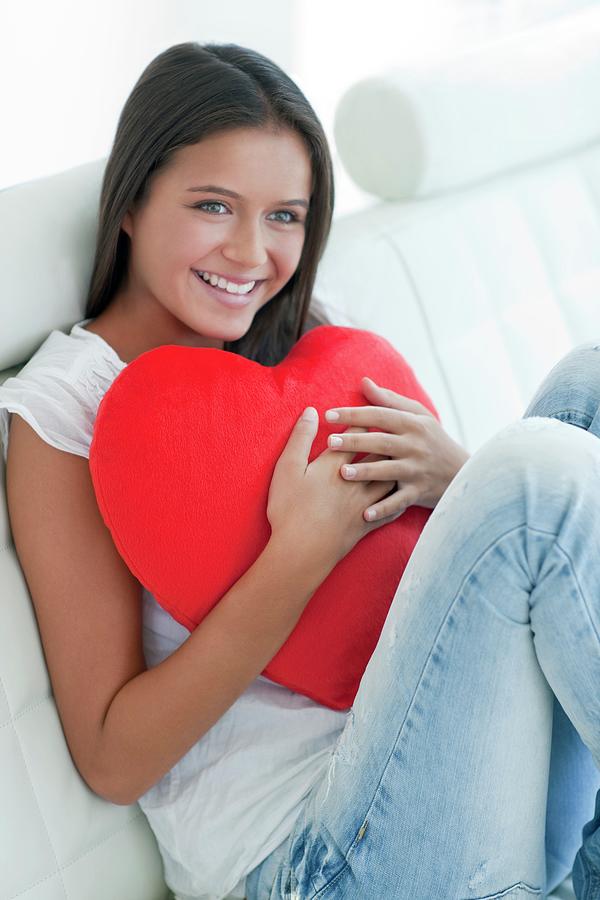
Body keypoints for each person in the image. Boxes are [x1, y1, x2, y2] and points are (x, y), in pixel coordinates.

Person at [1, 40, 600, 900]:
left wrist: (451, 476)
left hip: (469, 788)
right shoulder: (67, 409)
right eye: (215, 205)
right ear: (130, 202)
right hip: (313, 856)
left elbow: (473, 580)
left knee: (586, 385)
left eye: (285, 216)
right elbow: (111, 758)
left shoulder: (311, 336)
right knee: (534, 476)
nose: (252, 254)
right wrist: (297, 555)